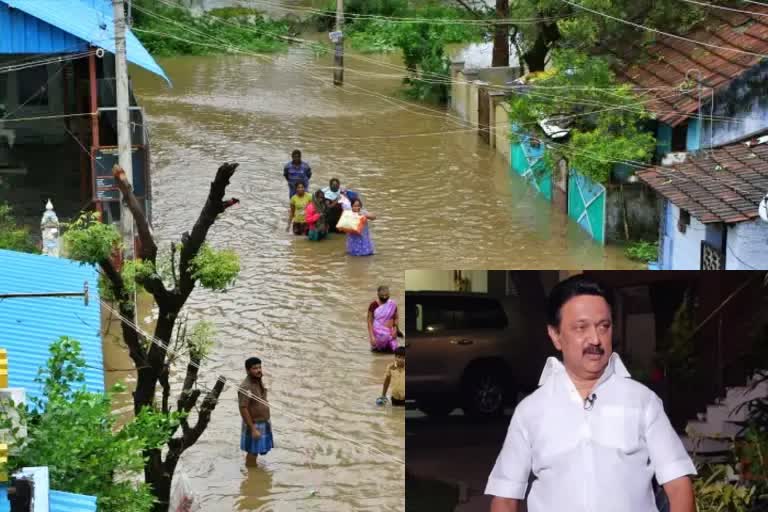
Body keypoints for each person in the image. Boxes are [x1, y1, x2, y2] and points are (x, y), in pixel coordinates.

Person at [485, 276, 696, 512]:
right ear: (555, 335)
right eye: (581, 327)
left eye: (603, 326)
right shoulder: (531, 411)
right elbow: (504, 498)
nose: (595, 339)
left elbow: (679, 485)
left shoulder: (642, 402)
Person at [238, 357, 274, 467]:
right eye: (255, 368)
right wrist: (253, 429)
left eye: (260, 367)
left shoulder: (258, 379)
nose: (258, 370)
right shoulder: (246, 387)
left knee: (256, 450)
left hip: (263, 421)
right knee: (252, 451)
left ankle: (252, 470)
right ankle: (251, 473)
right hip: (254, 423)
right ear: (248, 370)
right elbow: (243, 408)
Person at [368, 285, 399, 352]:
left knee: (395, 352)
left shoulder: (392, 304)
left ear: (389, 294)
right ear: (378, 294)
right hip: (378, 336)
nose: (384, 297)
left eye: (386, 295)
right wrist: (372, 336)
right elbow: (369, 321)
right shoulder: (373, 305)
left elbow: (396, 318)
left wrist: (395, 329)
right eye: (382, 296)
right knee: (378, 354)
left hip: (391, 334)